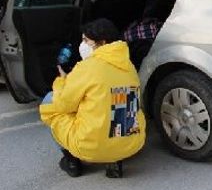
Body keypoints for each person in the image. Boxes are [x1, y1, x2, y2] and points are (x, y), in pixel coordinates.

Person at [39, 18, 146, 178]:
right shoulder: (128, 65)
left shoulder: (87, 68)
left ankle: (72, 161)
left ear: (101, 42)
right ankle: (114, 159)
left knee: (50, 100)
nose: (82, 45)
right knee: (118, 105)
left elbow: (64, 105)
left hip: (90, 146)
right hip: (131, 143)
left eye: (86, 40)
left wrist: (62, 81)